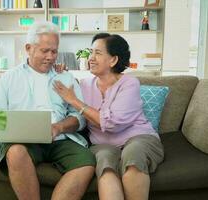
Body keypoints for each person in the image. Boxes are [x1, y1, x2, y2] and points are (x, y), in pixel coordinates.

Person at [0, 21, 96, 200]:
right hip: (22, 141)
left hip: (60, 139)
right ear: (29, 48)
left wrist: (58, 127)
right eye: (45, 51)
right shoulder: (8, 79)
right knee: (15, 153)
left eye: (54, 51)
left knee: (86, 162)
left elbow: (80, 117)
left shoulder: (65, 77)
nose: (51, 57)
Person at [53, 33, 164, 200]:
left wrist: (75, 101)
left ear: (113, 60)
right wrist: (60, 73)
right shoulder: (84, 85)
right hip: (102, 144)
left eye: (97, 53)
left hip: (138, 138)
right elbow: (62, 89)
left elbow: (112, 123)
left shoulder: (129, 83)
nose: (91, 58)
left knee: (133, 156)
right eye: (91, 52)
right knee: (105, 166)